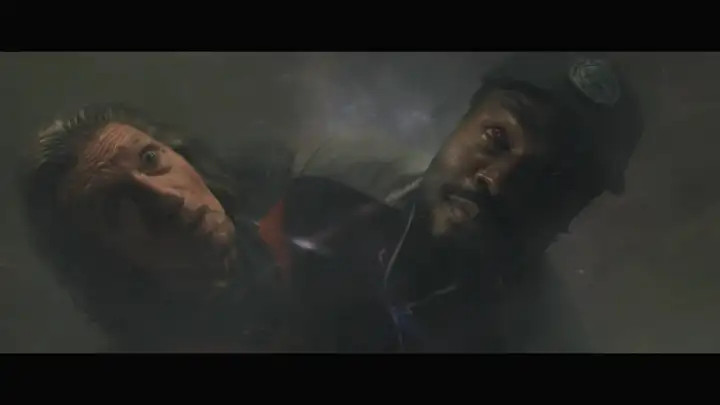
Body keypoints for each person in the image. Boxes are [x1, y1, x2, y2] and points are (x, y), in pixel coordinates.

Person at [276, 52, 645, 352]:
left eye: (545, 182)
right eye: (497, 138)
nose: (495, 181)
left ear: (569, 215)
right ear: (462, 121)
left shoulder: (541, 342)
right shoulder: (332, 171)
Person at [18, 102, 314, 352]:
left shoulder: (303, 209)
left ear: (182, 154)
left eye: (150, 159)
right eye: (116, 204)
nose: (166, 197)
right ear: (101, 257)